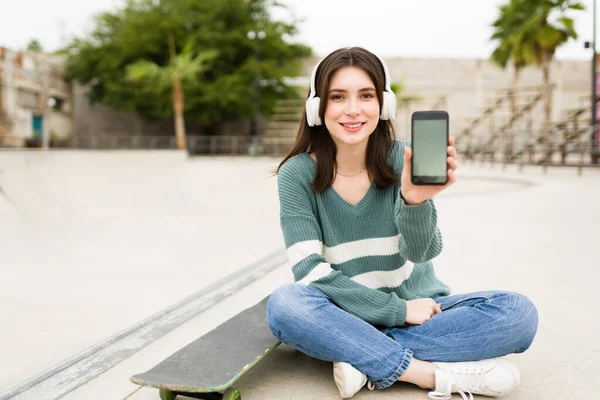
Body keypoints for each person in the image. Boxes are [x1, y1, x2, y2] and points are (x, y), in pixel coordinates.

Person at [267, 47, 538, 400]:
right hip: (347, 312)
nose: (353, 109)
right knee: (286, 304)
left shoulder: (404, 158)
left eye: (366, 95)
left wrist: (414, 200)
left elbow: (422, 251)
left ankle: (362, 357)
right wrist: (395, 311)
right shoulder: (296, 174)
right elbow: (309, 271)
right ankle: (427, 374)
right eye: (338, 97)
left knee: (517, 313)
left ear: (384, 104)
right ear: (317, 107)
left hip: (419, 311)